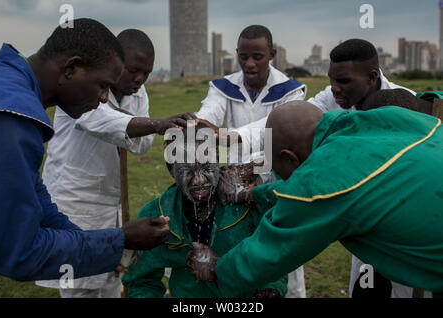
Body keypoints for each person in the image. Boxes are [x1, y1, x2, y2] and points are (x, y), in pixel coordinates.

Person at [187, 101, 443, 297]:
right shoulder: (384, 120)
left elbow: (271, 251)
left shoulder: (324, 181)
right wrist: (253, 193)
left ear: (290, 158)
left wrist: (217, 268)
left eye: (278, 169)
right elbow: (310, 191)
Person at [0, 19, 173, 282]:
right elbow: (18, 252)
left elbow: (36, 193)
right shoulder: (12, 120)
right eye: (102, 86)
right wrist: (120, 239)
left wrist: (102, 247)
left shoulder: (9, 82)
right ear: (72, 68)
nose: (103, 98)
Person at [34, 29, 194, 298]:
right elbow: (96, 121)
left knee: (110, 277)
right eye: (133, 70)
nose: (139, 79)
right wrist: (154, 125)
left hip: (110, 201)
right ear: (116, 62)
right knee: (79, 284)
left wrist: (151, 127)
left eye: (146, 73)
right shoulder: (80, 87)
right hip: (74, 197)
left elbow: (141, 145)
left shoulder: (138, 94)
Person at [195, 24, 306, 298]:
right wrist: (199, 125)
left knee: (282, 259)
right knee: (236, 248)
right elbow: (209, 114)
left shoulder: (291, 91)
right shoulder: (223, 86)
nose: (249, 63)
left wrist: (232, 143)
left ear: (272, 54)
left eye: (258, 56)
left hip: (274, 185)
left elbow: (276, 132)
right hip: (231, 189)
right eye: (243, 56)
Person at [307, 39, 419, 298]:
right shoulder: (332, 97)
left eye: (343, 81)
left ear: (371, 76)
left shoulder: (410, 105)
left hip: (404, 229)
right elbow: (293, 120)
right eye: (331, 80)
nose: (334, 89)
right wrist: (233, 136)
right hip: (364, 225)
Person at [121, 123, 287, 298]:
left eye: (207, 166)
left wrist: (271, 291)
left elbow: (274, 256)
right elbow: (141, 281)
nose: (199, 180)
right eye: (188, 171)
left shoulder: (248, 202)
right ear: (171, 170)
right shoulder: (156, 215)